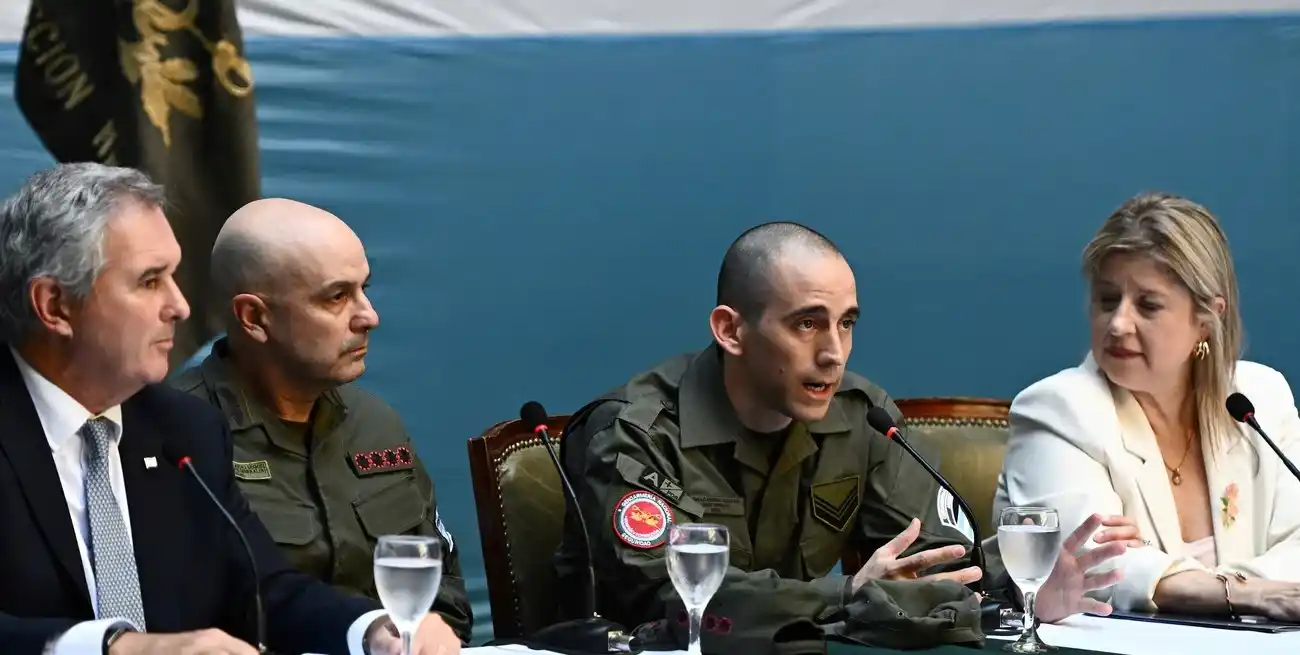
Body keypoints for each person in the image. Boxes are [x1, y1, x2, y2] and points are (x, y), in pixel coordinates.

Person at [554, 221, 1135, 651]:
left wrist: (1019, 589)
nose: (834, 353)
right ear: (731, 330)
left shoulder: (862, 417)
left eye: (846, 323)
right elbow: (676, 601)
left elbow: (937, 565)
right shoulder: (634, 433)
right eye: (807, 323)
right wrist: (851, 593)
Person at [0, 163, 457, 655]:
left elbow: (264, 590)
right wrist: (117, 647)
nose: (180, 306)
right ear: (55, 305)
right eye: (150, 282)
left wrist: (372, 628)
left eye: (174, 277)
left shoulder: (182, 429)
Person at [169, 197, 473, 643]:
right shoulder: (175, 436)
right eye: (337, 297)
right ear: (254, 318)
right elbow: (185, 622)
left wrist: (427, 639)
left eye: (365, 289)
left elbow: (444, 592)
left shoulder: (376, 423)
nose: (369, 316)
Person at [993, 192, 1300, 619]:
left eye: (1148, 305)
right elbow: (1090, 569)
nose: (1118, 323)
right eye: (1107, 300)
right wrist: (1247, 594)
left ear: (1206, 319)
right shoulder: (1057, 409)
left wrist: (1174, 578)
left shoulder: (1259, 399)